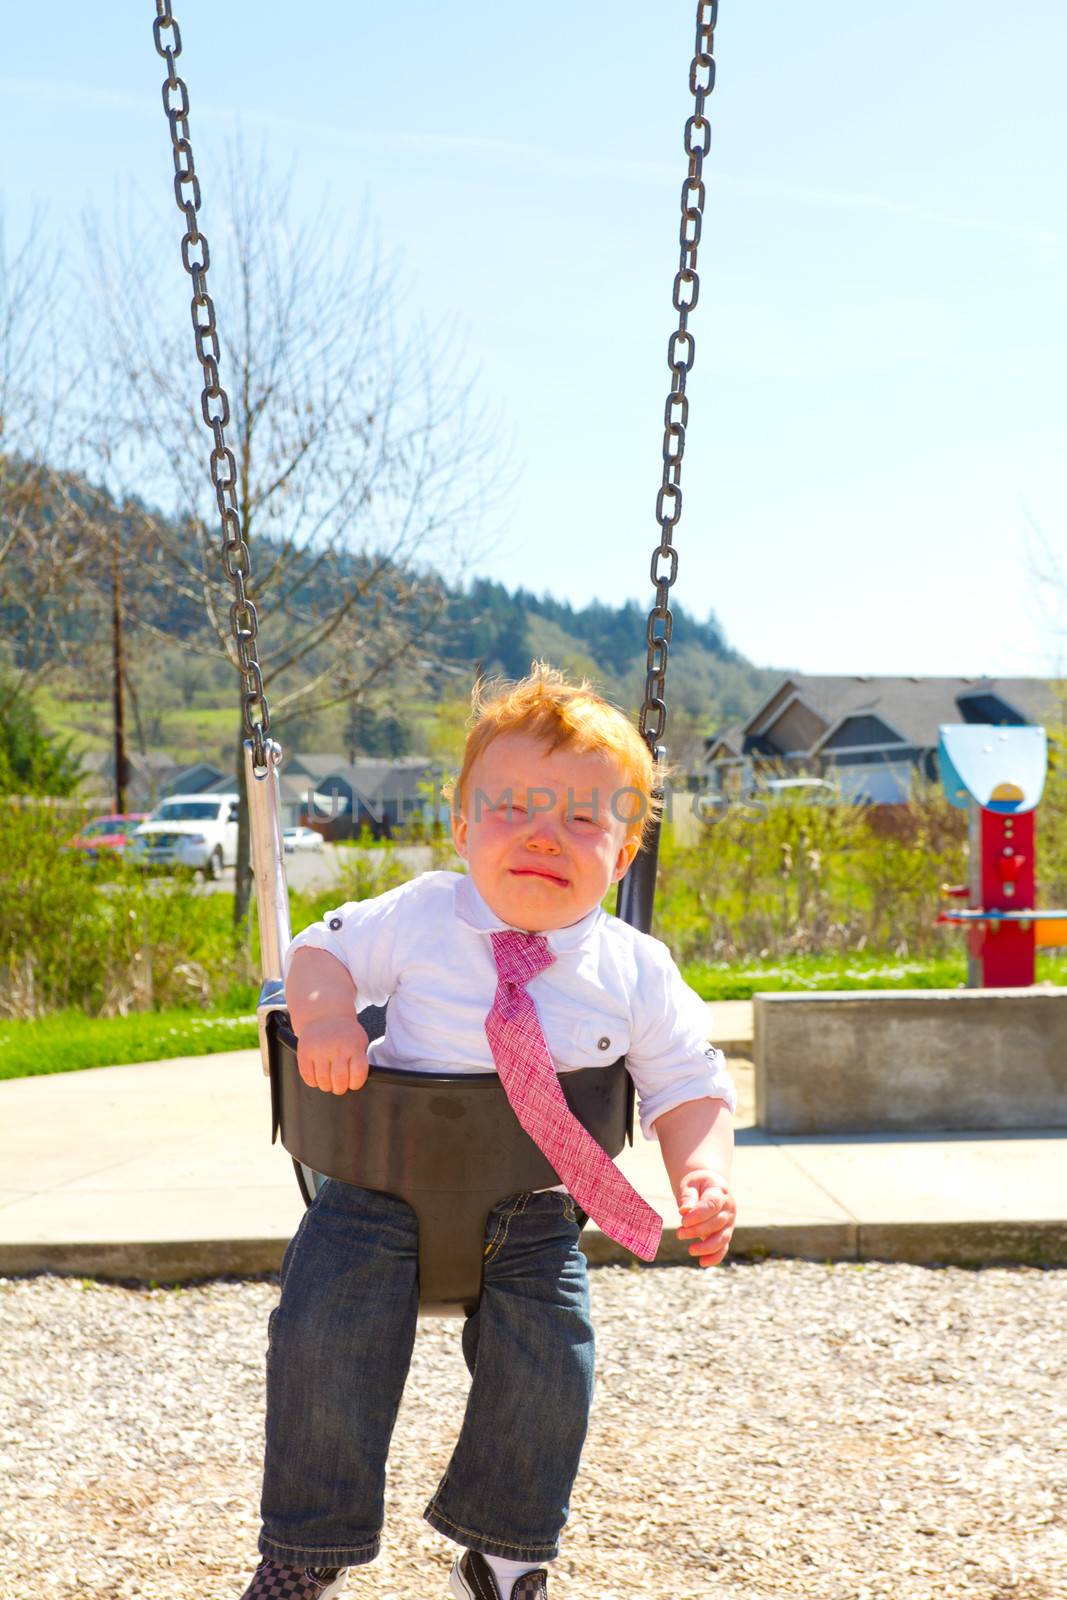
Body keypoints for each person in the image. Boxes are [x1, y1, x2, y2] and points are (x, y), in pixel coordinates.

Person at [240, 664, 738, 1600]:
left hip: (534, 1211)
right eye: (513, 809)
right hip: (374, 1193)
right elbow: (319, 951)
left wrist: (702, 1176)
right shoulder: (423, 913)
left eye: (584, 820)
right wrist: (330, 1017)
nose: (546, 835)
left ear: (623, 856)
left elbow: (685, 1080)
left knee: (554, 1365)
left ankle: (509, 1552)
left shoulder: (635, 968)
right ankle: (305, 1552)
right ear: (463, 828)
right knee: (321, 1346)